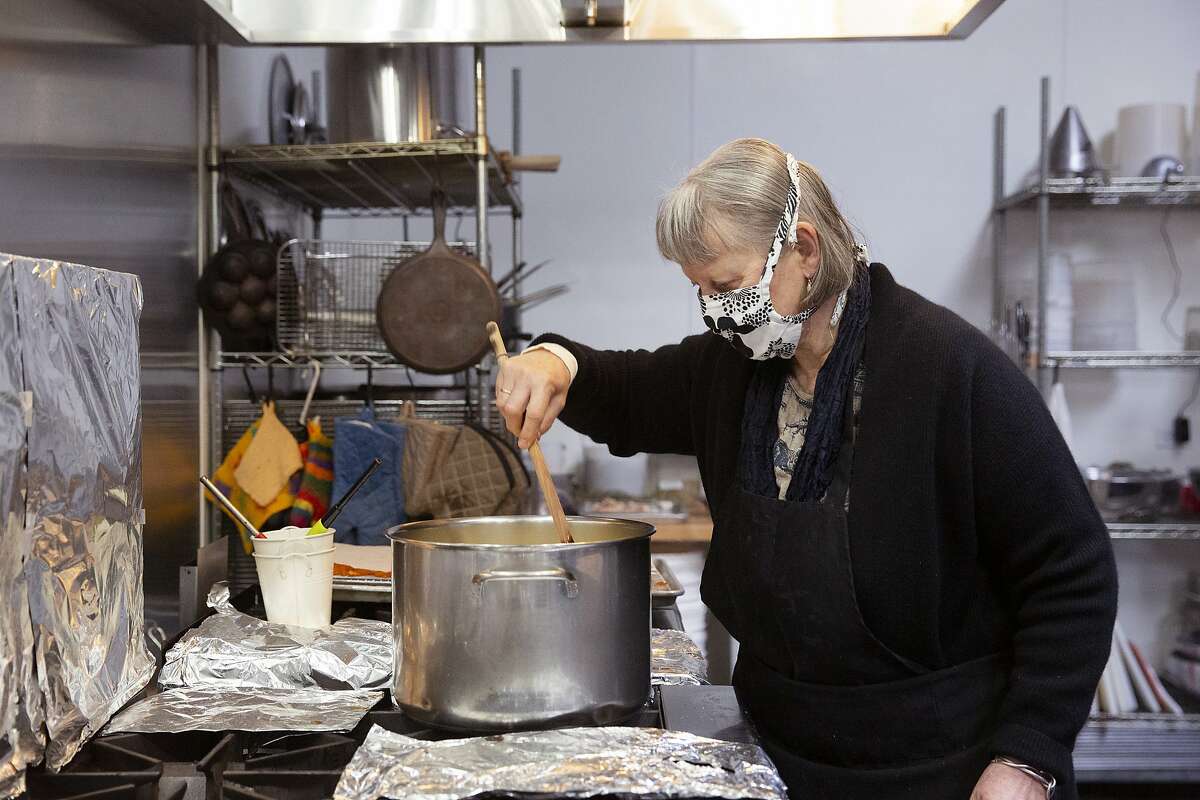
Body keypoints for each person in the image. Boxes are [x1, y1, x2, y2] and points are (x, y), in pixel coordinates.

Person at [495, 138, 1118, 800]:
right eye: (699, 290)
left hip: (939, 763)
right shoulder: (736, 367)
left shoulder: (949, 370)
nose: (712, 311)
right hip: (779, 754)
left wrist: (1027, 757)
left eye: (727, 286)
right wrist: (553, 360)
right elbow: (622, 389)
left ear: (805, 250)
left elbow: (1072, 573)